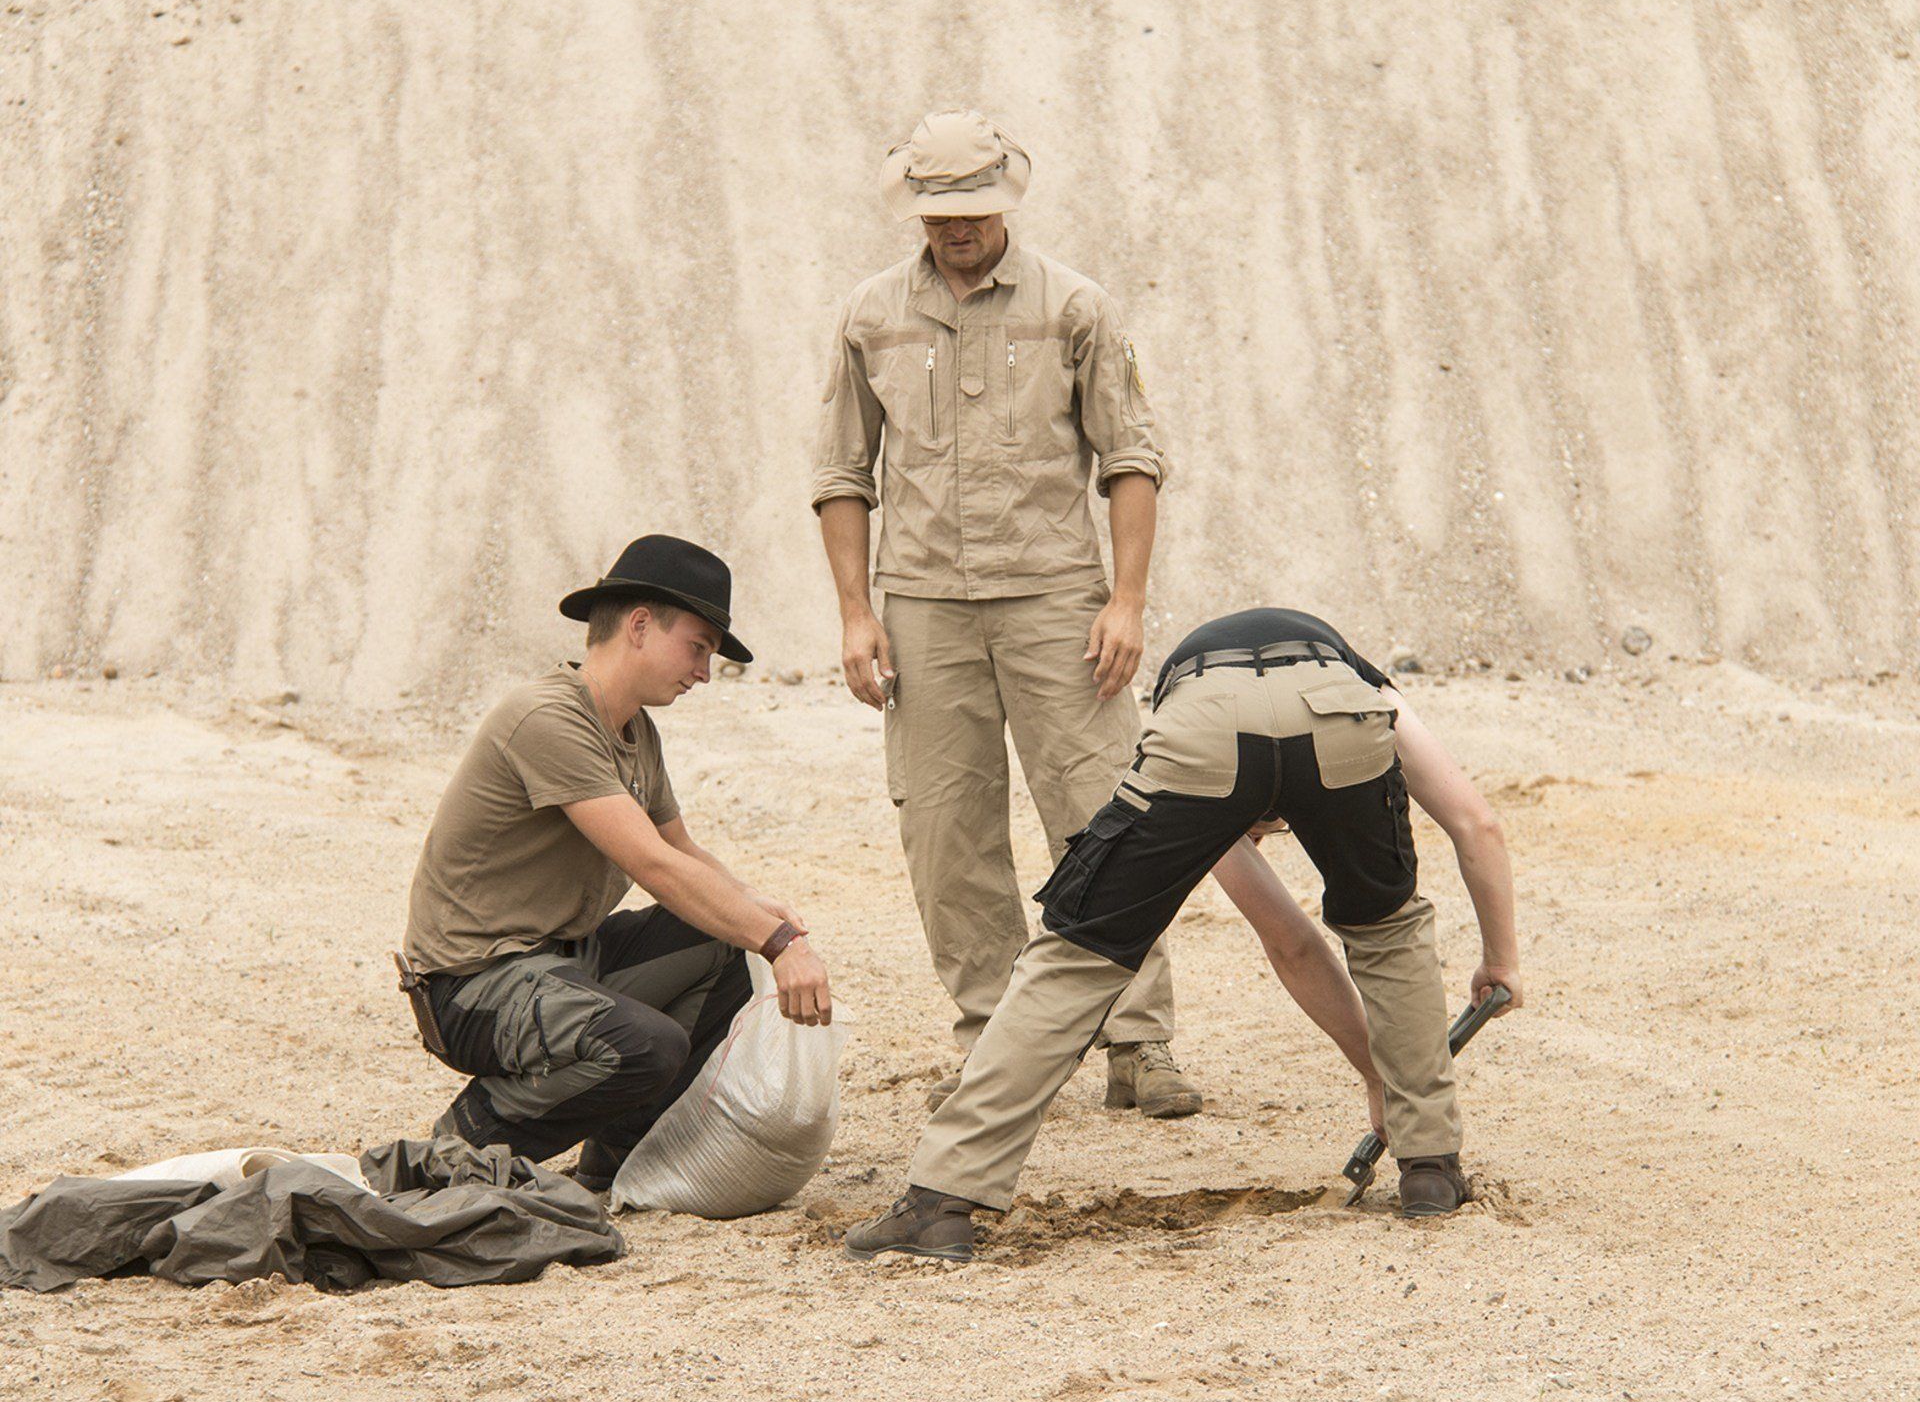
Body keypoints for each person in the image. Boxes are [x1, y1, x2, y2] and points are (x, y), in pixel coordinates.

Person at [845, 607, 1523, 1261]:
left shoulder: (1203, 750)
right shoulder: (1366, 688)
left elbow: (1292, 941)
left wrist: (1376, 1071)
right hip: (1338, 722)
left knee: (1079, 953)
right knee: (1388, 929)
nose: (1261, 833)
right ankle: (1430, 1166)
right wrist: (1500, 960)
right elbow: (1477, 826)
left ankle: (940, 1201)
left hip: (1207, 728)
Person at [812, 108, 1198, 1116]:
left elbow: (1131, 458)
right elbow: (842, 472)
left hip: (1056, 602)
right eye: (939, 214)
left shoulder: (1077, 309)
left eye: (973, 210)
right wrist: (857, 614)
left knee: (1104, 815)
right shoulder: (869, 317)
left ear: (1005, 202)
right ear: (918, 213)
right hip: (927, 606)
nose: (957, 229)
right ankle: (994, 1037)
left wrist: (1125, 599)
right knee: (947, 830)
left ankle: (1136, 1039)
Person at [395, 535, 833, 1193]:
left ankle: (616, 1157)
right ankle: (467, 1140)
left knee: (721, 945)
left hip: (558, 961)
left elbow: (683, 850)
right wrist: (775, 943)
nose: (704, 672)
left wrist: (757, 910)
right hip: (472, 985)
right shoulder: (547, 717)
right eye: (698, 646)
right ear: (638, 625)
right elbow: (651, 862)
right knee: (645, 1044)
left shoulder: (634, 729)